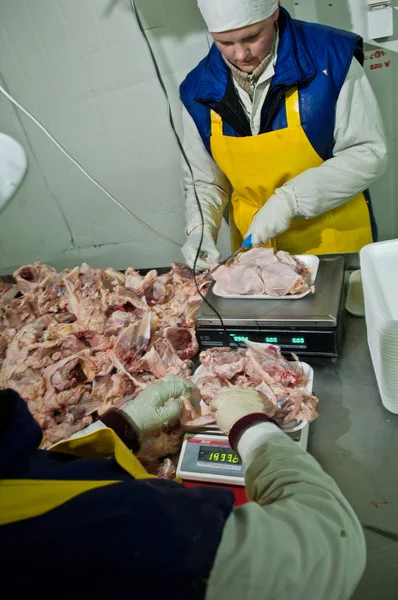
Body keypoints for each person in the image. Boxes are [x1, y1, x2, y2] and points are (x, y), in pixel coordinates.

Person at [1, 378, 365, 599]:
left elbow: (31, 480)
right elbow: (330, 541)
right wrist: (251, 426)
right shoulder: (100, 528)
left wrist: (120, 427)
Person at [181, 0, 387, 270]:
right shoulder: (197, 90)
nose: (241, 55)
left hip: (335, 243)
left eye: (252, 37)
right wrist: (200, 226)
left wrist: (290, 201)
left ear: (275, 13)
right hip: (255, 252)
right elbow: (205, 183)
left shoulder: (331, 58)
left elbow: (368, 154)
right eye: (224, 43)